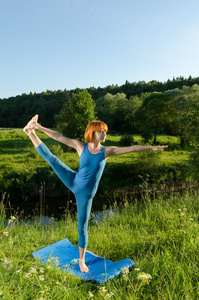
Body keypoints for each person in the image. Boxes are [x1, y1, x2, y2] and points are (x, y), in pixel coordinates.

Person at [23, 115, 168, 273]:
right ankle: (30, 132)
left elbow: (131, 148)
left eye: (105, 132)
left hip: (85, 195)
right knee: (53, 160)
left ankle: (81, 261)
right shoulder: (80, 146)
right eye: (101, 132)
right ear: (92, 133)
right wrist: (39, 127)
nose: (104, 134)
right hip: (73, 180)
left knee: (82, 227)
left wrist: (152, 148)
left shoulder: (106, 152)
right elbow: (58, 136)